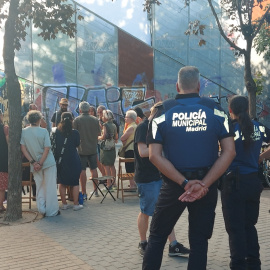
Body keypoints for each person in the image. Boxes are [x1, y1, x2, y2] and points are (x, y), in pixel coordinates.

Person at [142, 66, 236, 270]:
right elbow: (230, 152)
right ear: (199, 86)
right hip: (205, 186)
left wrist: (184, 183)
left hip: (174, 185)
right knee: (199, 241)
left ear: (177, 86)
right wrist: (204, 184)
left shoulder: (162, 111)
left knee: (157, 237)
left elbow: (154, 156)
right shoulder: (216, 110)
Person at [220, 95, 270, 270]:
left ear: (230, 110)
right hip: (252, 182)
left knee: (235, 229)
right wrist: (260, 158)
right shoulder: (259, 127)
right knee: (249, 226)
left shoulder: (228, 129)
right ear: (248, 109)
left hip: (233, 183)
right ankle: (254, 264)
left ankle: (238, 265)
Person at [134, 103, 190, 257]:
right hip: (146, 177)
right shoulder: (143, 127)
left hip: (159, 176)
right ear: (156, 113)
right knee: (146, 211)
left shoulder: (158, 126)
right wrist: (161, 151)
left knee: (163, 211)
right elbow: (143, 151)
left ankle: (173, 244)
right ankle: (143, 242)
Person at [20, 110, 60, 217]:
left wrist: (33, 162)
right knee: (50, 186)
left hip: (34, 164)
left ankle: (41, 208)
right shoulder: (44, 131)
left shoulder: (24, 132)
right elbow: (47, 149)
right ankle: (52, 211)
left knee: (39, 186)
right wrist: (41, 162)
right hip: (48, 162)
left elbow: (23, 149)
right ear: (38, 120)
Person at [55, 112, 83, 211]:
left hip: (61, 160)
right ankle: (76, 204)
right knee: (75, 182)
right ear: (72, 120)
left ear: (61, 120)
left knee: (62, 183)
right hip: (73, 159)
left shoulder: (57, 132)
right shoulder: (75, 132)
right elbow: (77, 144)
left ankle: (64, 204)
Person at [73, 101, 101, 199]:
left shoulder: (77, 120)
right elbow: (99, 133)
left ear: (80, 110)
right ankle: (96, 190)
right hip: (93, 147)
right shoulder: (95, 119)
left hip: (81, 149)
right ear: (89, 110)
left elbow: (74, 134)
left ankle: (84, 192)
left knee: (82, 170)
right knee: (94, 169)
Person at [98, 109, 118, 189]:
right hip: (112, 147)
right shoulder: (114, 125)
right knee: (112, 165)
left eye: (103, 115)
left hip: (105, 147)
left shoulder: (105, 125)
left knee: (106, 166)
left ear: (105, 117)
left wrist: (98, 137)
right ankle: (114, 182)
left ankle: (108, 183)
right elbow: (116, 137)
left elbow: (104, 136)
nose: (102, 117)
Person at [120, 110, 137, 190]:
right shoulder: (136, 126)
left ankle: (132, 185)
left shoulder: (131, 127)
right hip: (134, 149)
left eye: (126, 117)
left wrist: (124, 141)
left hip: (130, 150)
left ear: (131, 118)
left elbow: (122, 138)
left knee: (129, 168)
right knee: (133, 167)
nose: (125, 118)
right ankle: (133, 184)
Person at [0, 109, 8, 212]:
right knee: (1, 187)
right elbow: (9, 143)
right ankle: (0, 206)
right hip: (2, 160)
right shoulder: (5, 128)